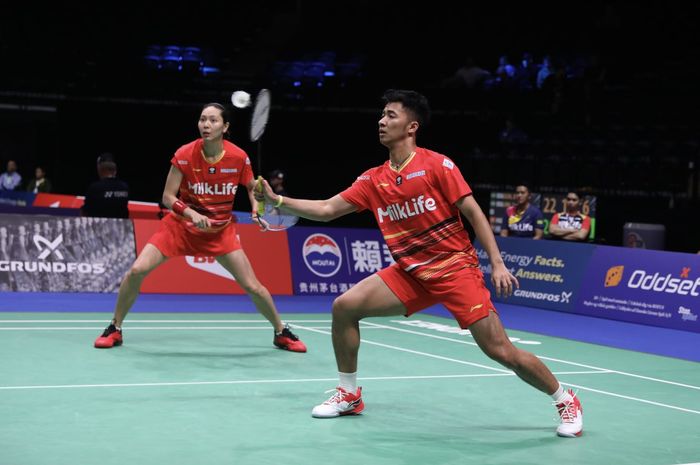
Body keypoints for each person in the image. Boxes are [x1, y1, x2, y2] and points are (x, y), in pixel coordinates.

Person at [256, 89, 582, 437]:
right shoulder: (372, 180)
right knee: (345, 307)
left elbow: (473, 213)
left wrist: (497, 263)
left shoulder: (437, 165)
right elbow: (326, 209)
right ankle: (349, 394)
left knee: (500, 350)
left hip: (455, 269)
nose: (382, 121)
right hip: (411, 273)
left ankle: (565, 399)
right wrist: (278, 201)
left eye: (390, 115)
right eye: (381, 115)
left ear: (411, 126)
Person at [93, 103, 306, 353]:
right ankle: (115, 327)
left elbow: (251, 187)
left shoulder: (238, 157)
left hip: (219, 231)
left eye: (213, 120)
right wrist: (191, 213)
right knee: (137, 269)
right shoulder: (184, 154)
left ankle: (281, 332)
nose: (206, 124)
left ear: (225, 127)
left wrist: (256, 211)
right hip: (180, 227)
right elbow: (167, 197)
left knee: (253, 286)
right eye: (203, 119)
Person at [81, 153, 130, 218]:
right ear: (115, 170)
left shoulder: (95, 188)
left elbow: (85, 212)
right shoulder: (124, 187)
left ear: (100, 169)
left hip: (100, 227)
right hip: (121, 227)